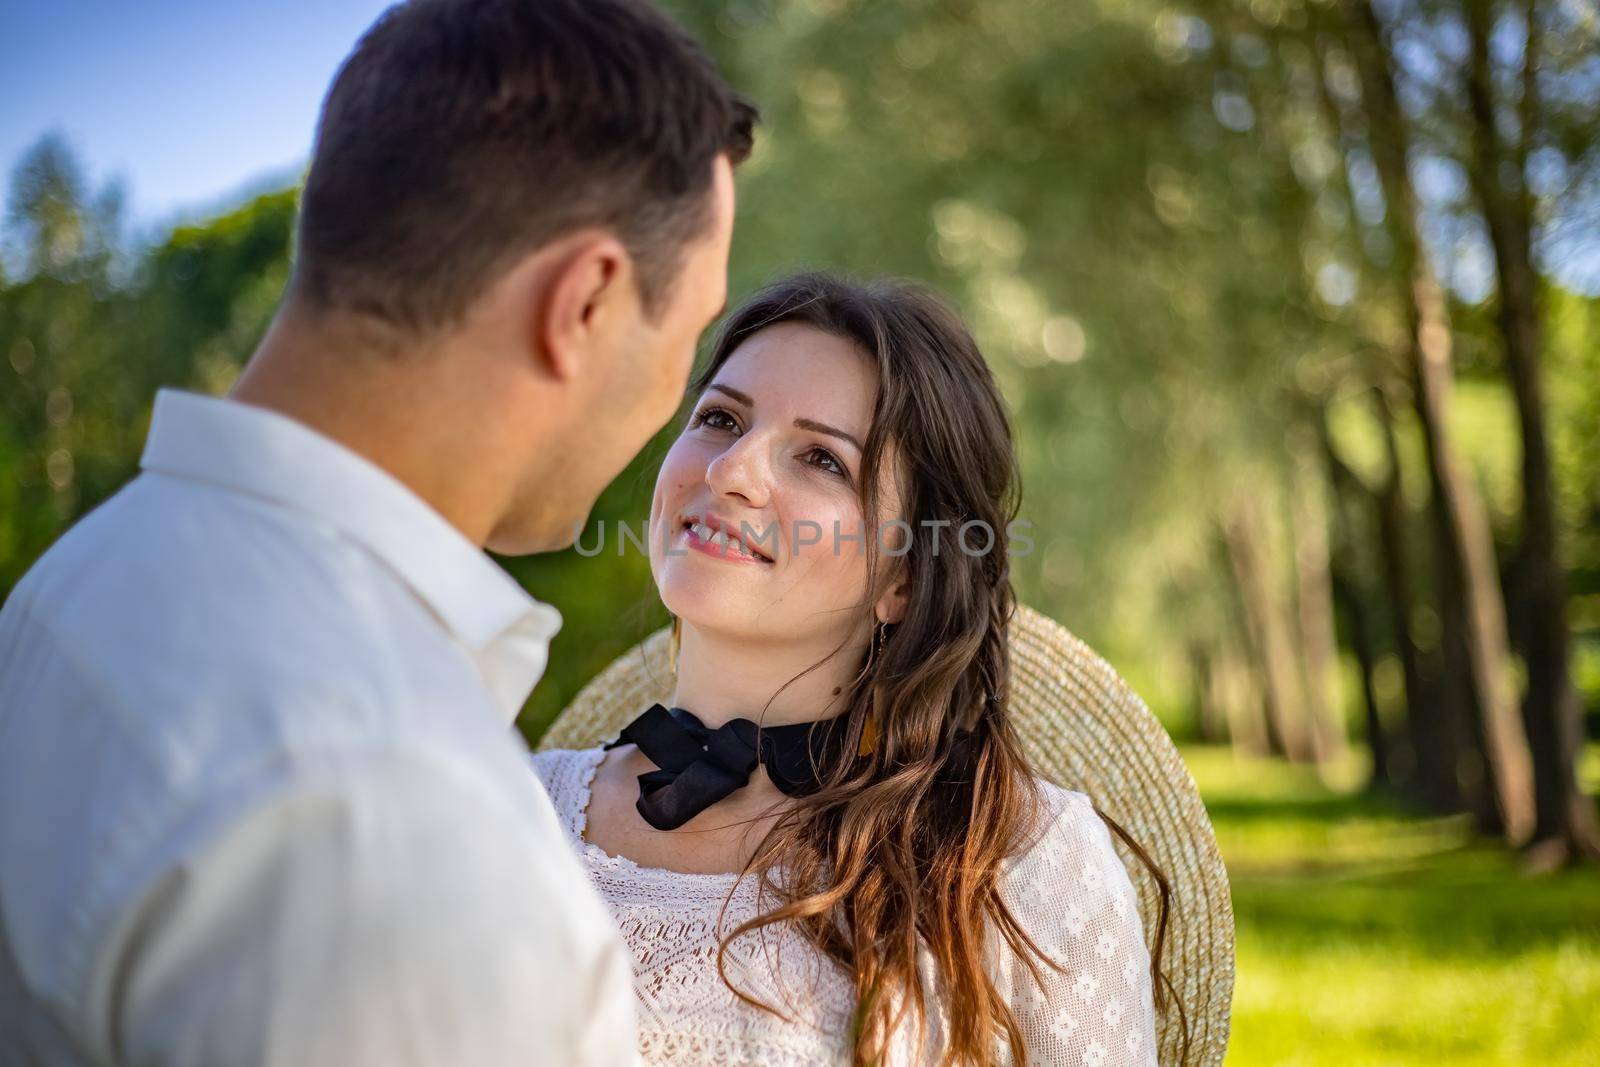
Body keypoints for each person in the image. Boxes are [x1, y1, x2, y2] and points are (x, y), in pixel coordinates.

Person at [0, 1, 755, 1064]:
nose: (676, 408)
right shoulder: (389, 816)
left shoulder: (77, 583)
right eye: (687, 336)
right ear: (582, 303)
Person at [532, 272, 1170, 1066]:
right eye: (721, 417)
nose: (731, 469)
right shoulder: (510, 809)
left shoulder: (1016, 862)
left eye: (822, 459)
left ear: (903, 578)